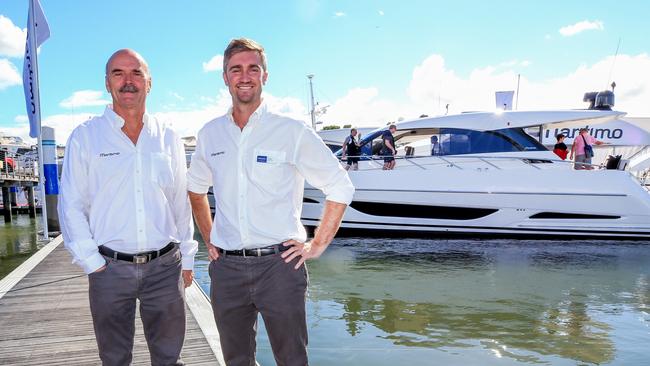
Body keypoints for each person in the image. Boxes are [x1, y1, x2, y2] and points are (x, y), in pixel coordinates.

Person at [187, 38, 354, 366]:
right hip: (227, 268)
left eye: (253, 69)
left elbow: (339, 186)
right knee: (236, 360)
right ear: (225, 77)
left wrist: (316, 245)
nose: (244, 76)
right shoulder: (210, 134)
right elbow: (195, 190)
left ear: (265, 76)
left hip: (280, 266)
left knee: (291, 359)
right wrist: (209, 238)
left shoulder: (291, 131)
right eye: (236, 69)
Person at [58, 49, 197, 366]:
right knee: (115, 358)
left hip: (165, 267)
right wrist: (91, 261)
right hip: (109, 268)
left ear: (149, 82)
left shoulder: (168, 136)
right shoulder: (86, 137)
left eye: (136, 73)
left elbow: (179, 200)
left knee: (168, 358)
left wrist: (187, 256)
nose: (128, 81)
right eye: (118, 73)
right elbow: (71, 204)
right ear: (107, 83)